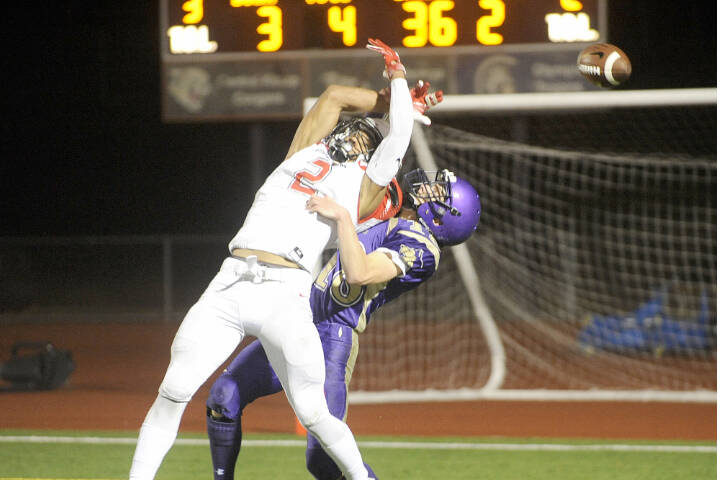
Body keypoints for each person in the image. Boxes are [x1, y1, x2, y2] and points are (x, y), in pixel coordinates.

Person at [128, 38, 416, 480]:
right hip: (230, 283)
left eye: (367, 138)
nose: (358, 136)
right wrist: (383, 102)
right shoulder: (303, 152)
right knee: (173, 391)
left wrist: (397, 78)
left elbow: (398, 134)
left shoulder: (363, 189)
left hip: (285, 293)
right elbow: (336, 95)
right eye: (357, 130)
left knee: (315, 412)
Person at [206, 168, 482, 479]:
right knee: (224, 396)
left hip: (332, 339)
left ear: (442, 218)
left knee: (325, 461)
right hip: (297, 320)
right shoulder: (396, 220)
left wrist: (343, 218)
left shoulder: (421, 248)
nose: (429, 188)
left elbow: (359, 273)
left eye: (439, 194)